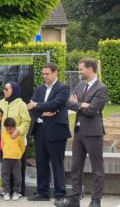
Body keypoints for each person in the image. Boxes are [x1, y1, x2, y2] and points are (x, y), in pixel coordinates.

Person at [64, 58, 108, 207]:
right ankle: (74, 199)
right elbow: (69, 103)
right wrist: (81, 104)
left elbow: (92, 110)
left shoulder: (101, 88)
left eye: (81, 69)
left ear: (90, 69)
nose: (79, 71)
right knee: (76, 167)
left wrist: (79, 104)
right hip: (79, 132)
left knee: (97, 168)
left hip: (93, 133)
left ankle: (96, 201)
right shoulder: (80, 85)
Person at [27, 63, 71, 206]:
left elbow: (55, 104)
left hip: (56, 131)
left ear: (55, 73)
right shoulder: (39, 89)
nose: (44, 76)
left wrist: (37, 106)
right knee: (41, 162)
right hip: (40, 130)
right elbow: (30, 108)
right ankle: (42, 192)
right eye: (43, 74)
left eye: (47, 73)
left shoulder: (63, 88)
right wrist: (43, 111)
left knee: (57, 163)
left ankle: (60, 194)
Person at [0, 81, 31, 196]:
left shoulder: (21, 104)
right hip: (5, 141)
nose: (4, 91)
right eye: (4, 89)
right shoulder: (1, 102)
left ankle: (18, 190)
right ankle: (7, 190)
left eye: (7, 89)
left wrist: (18, 131)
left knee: (18, 167)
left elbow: (27, 121)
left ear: (14, 90)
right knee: (6, 167)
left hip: (18, 140)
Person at [1, 117, 26, 201]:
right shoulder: (4, 134)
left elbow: (22, 147)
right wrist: (5, 153)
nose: (9, 131)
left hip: (16, 159)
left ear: (15, 126)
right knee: (5, 175)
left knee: (17, 176)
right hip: (6, 159)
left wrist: (18, 154)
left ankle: (16, 192)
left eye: (11, 129)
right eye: (7, 129)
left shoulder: (19, 135)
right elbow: (2, 145)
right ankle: (6, 192)